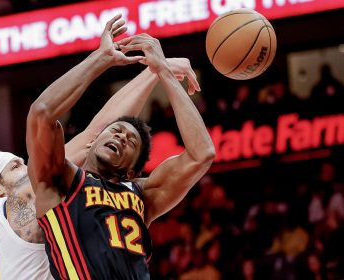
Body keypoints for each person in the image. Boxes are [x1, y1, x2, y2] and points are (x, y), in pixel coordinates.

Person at [0, 25, 199, 280]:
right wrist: (154, 71)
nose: (27, 167)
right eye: (16, 167)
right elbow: (93, 137)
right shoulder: (20, 205)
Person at [27, 14, 215, 279]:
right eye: (115, 130)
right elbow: (42, 113)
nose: (121, 137)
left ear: (130, 173)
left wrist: (162, 70)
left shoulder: (142, 195)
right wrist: (100, 58)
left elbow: (202, 154)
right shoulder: (61, 181)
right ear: (92, 144)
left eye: (131, 142)